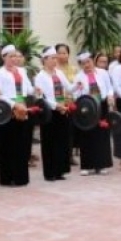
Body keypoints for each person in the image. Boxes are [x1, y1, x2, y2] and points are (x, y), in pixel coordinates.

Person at [0, 44, 34, 187]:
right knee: (8, 144)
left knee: (22, 144)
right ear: (3, 58)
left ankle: (21, 177)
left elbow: (28, 88)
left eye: (16, 55)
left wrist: (36, 90)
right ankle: (7, 177)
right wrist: (13, 105)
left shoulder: (22, 71)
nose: (14, 59)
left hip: (23, 109)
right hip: (8, 110)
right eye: (10, 56)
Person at [33, 46, 75, 181]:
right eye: (52, 58)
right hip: (49, 112)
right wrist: (56, 106)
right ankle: (50, 172)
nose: (55, 61)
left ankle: (60, 171)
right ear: (44, 60)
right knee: (49, 142)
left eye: (55, 58)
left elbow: (68, 87)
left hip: (62, 110)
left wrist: (78, 85)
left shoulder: (59, 73)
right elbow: (42, 98)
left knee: (62, 141)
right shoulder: (40, 77)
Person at [73, 51, 113, 175]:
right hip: (87, 108)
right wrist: (78, 90)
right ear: (80, 65)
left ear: (93, 61)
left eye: (89, 62)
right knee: (87, 136)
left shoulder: (103, 73)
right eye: (83, 63)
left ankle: (101, 165)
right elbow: (75, 95)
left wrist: (110, 96)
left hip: (102, 105)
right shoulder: (78, 77)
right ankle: (87, 166)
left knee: (102, 135)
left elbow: (109, 87)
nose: (87, 65)